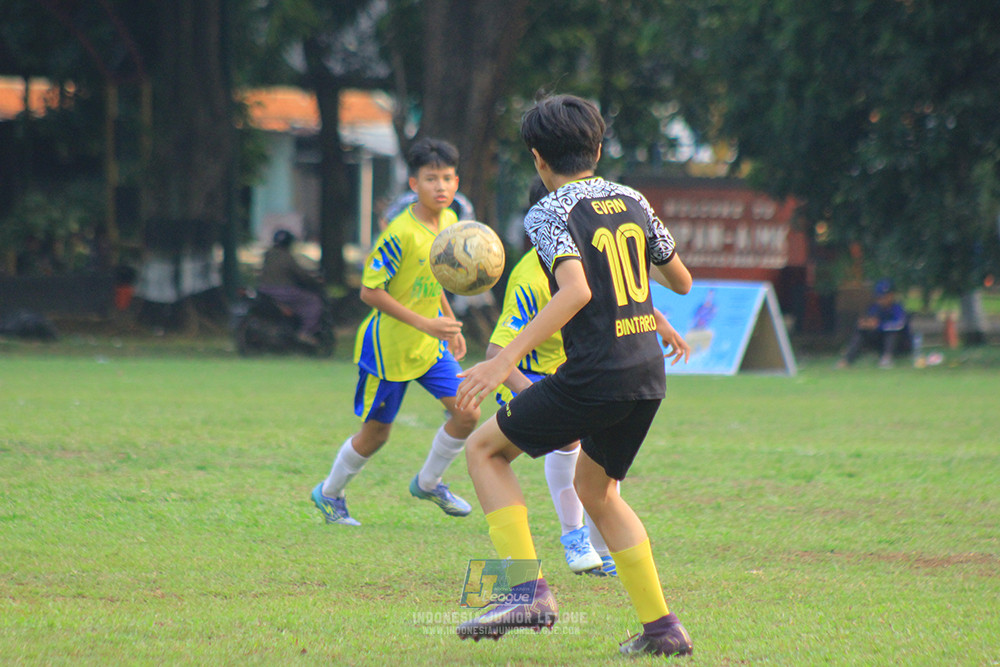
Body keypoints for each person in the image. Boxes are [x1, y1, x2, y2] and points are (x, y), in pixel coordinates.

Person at [453, 94, 695, 658]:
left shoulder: (547, 212)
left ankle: (526, 593)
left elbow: (576, 291)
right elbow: (680, 281)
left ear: (538, 158)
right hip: (646, 369)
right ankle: (662, 629)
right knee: (597, 492)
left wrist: (502, 360)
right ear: (599, 149)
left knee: (484, 450)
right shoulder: (633, 199)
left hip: (596, 371)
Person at [488, 177, 691, 578]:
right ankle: (573, 539)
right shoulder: (531, 277)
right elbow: (498, 351)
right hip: (548, 372)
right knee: (563, 447)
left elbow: (609, 289)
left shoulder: (580, 250)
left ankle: (585, 558)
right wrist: (530, 394)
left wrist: (659, 320)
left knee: (599, 471)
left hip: (591, 369)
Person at [310, 138, 481, 526]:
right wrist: (427, 324)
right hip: (388, 349)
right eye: (431, 179)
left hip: (429, 345)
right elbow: (369, 291)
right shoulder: (399, 233)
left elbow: (437, 278)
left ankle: (429, 482)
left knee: (468, 412)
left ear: (456, 183)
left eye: (447, 178)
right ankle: (330, 493)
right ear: (413, 184)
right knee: (376, 435)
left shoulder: (451, 223)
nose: (440, 186)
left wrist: (447, 323)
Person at [258, 229, 325, 346]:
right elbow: (300, 274)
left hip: (264, 290)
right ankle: (305, 332)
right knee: (313, 301)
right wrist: (314, 280)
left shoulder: (268, 255)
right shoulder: (287, 256)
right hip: (283, 292)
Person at [837, 278, 913, 368]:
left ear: (892, 295)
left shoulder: (897, 308)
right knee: (861, 332)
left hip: (900, 344)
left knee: (892, 333)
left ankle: (887, 359)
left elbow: (898, 325)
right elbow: (869, 321)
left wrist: (879, 325)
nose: (881, 300)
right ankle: (847, 360)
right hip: (880, 342)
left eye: (884, 297)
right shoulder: (875, 308)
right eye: (879, 297)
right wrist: (866, 324)